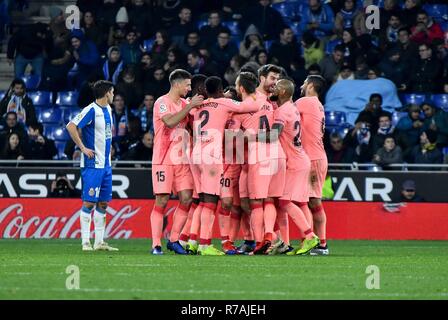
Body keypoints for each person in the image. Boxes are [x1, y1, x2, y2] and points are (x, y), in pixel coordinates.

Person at [150, 69, 204, 255]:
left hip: (182, 159)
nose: (189, 89)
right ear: (177, 84)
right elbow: (170, 122)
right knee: (162, 200)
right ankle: (156, 244)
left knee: (187, 198)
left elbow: (191, 124)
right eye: (187, 85)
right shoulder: (162, 103)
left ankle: (174, 240)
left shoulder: (184, 103)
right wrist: (189, 107)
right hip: (163, 159)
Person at [268, 79, 320, 255]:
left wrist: (248, 136)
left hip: (294, 163)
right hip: (300, 159)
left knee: (284, 201)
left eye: (276, 87)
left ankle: (310, 236)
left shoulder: (283, 111)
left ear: (283, 92)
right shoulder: (292, 108)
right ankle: (300, 241)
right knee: (299, 202)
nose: (273, 89)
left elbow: (274, 134)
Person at [66, 80, 119, 252]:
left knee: (103, 203)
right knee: (89, 203)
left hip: (106, 165)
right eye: (112, 92)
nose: (114, 95)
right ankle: (85, 242)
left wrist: (109, 147)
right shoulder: (91, 110)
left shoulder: (108, 109)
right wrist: (82, 148)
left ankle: (99, 242)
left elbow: (106, 133)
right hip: (92, 165)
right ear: (106, 94)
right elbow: (71, 126)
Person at [296, 75, 329, 255]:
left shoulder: (306, 101)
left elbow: (283, 110)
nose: (301, 85)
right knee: (311, 201)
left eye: (303, 82)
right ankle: (317, 243)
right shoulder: (317, 104)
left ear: (310, 86)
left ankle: (317, 243)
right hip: (317, 156)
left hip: (313, 158)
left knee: (311, 201)